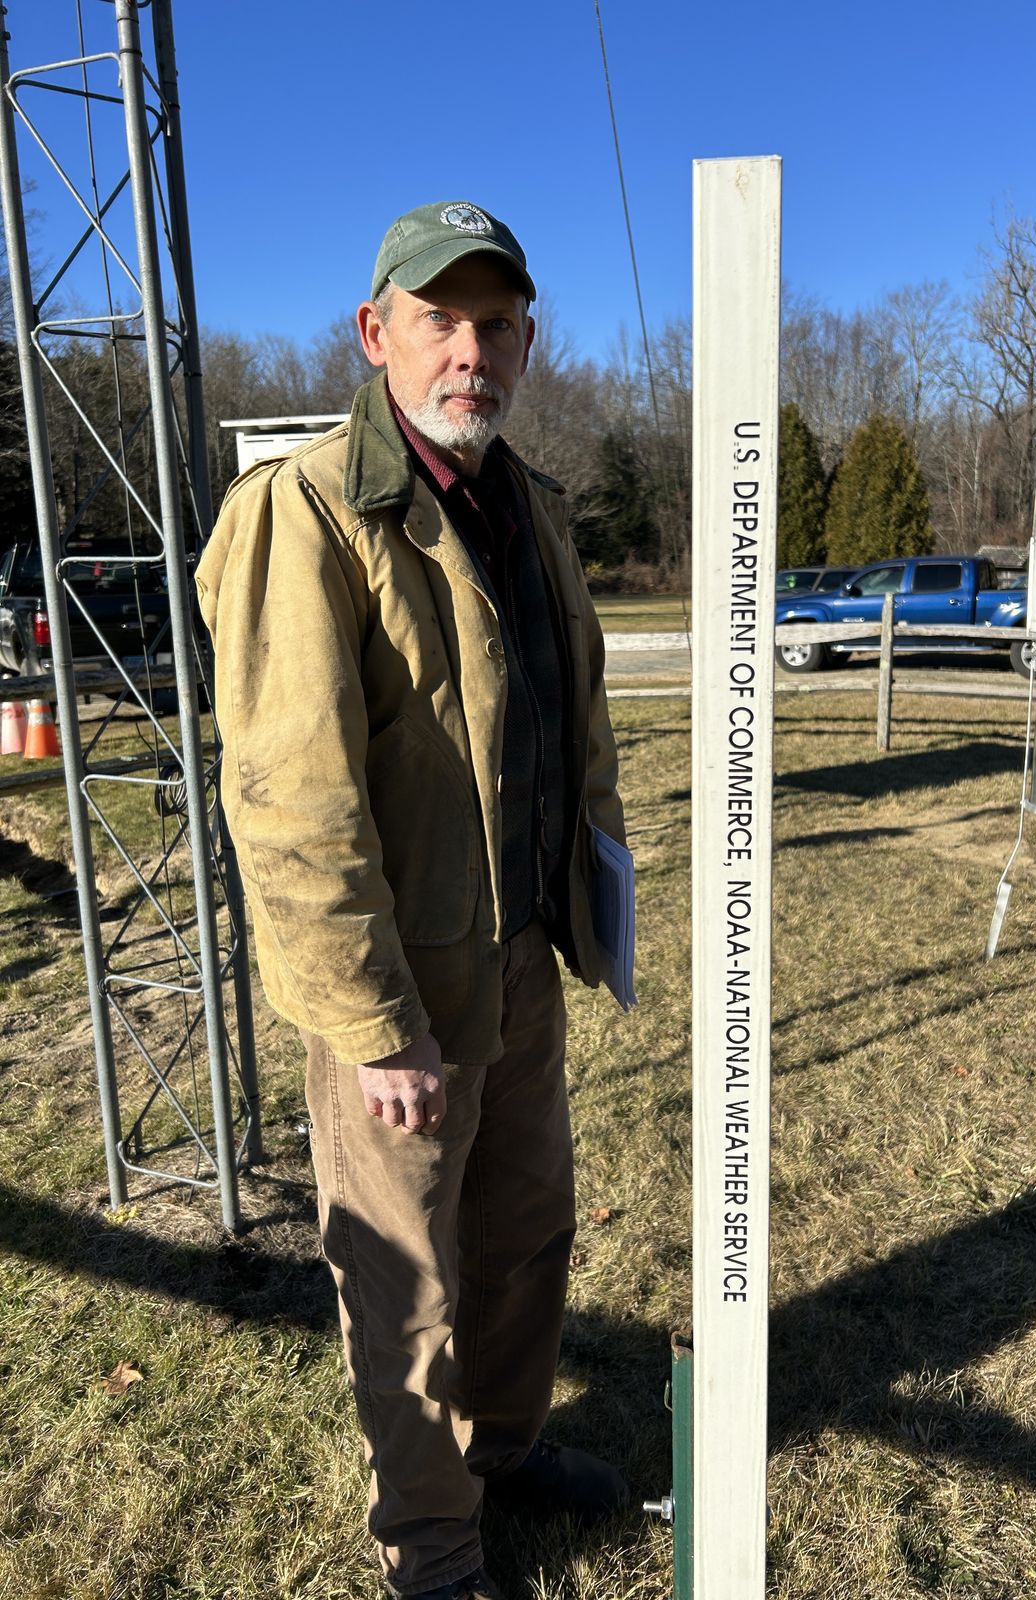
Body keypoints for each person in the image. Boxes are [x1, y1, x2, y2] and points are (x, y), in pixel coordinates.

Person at [196, 200, 629, 1600]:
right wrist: (378, 1029)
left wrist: (588, 911)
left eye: (497, 323)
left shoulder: (531, 509)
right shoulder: (307, 511)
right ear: (374, 332)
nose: (472, 351)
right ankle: (434, 1551)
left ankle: (501, 1457)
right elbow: (290, 802)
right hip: (398, 995)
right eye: (440, 319)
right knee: (412, 1287)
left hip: (517, 963)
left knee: (524, 1238)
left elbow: (576, 730)